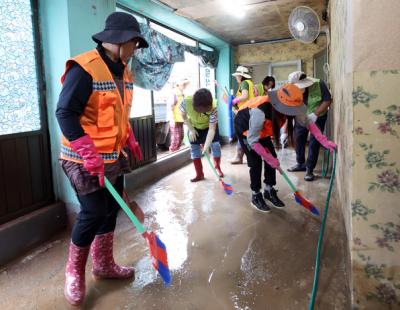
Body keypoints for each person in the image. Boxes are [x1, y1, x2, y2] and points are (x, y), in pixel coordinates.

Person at [55, 12, 148, 306]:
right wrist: (86, 152)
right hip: (81, 158)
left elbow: (118, 113)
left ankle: (103, 264)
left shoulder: (123, 71)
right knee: (93, 212)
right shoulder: (84, 69)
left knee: (110, 209)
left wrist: (130, 138)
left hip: (112, 155)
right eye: (134, 42)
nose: (135, 49)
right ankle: (73, 272)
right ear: (119, 40)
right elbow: (64, 113)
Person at [234, 84, 336, 212]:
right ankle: (256, 195)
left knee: (272, 157)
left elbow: (307, 122)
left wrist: (324, 141)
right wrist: (270, 159)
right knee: (256, 162)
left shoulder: (291, 106)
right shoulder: (260, 112)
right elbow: (253, 141)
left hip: (262, 129)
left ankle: (269, 190)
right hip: (245, 129)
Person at [287, 71, 332, 181]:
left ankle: (309, 169)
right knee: (298, 138)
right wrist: (284, 131)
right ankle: (300, 164)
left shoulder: (319, 84)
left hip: (318, 116)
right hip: (301, 116)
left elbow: (328, 100)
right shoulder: (290, 89)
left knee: (314, 142)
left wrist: (315, 114)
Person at [180, 88, 223, 182]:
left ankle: (217, 167)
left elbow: (212, 129)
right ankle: (199, 174)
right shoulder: (186, 102)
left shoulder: (214, 107)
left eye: (205, 110)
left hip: (209, 127)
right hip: (194, 126)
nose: (202, 112)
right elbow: (183, 115)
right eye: (199, 110)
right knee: (194, 148)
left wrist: (206, 146)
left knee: (215, 146)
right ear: (194, 105)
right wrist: (191, 129)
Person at [230, 66, 256, 165]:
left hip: (245, 112)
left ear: (240, 76)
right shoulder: (250, 83)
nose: (236, 78)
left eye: (237, 76)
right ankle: (242, 156)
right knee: (246, 134)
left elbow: (244, 96)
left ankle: (240, 157)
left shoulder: (244, 83)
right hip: (250, 111)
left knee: (242, 135)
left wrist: (234, 101)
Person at [168, 78, 189, 152]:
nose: (185, 86)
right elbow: (170, 107)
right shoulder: (175, 93)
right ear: (180, 84)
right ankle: (172, 154)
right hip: (175, 119)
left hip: (180, 119)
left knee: (181, 137)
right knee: (176, 139)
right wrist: (172, 119)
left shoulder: (182, 93)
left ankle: (175, 152)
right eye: (185, 84)